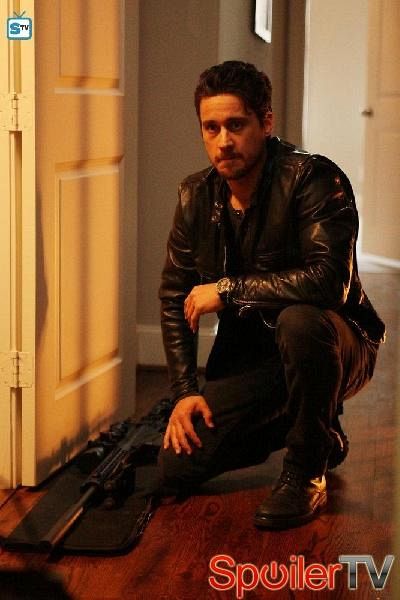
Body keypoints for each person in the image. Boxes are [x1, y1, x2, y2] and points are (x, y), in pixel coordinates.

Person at [157, 61, 385, 529]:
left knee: (298, 320)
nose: (223, 141)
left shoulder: (314, 179)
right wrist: (184, 391)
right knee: (177, 466)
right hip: (255, 357)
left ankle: (306, 470)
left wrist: (228, 289)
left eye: (236, 125)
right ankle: (318, 426)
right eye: (211, 128)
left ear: (266, 122)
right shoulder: (195, 197)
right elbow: (175, 294)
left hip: (335, 341)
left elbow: (329, 282)